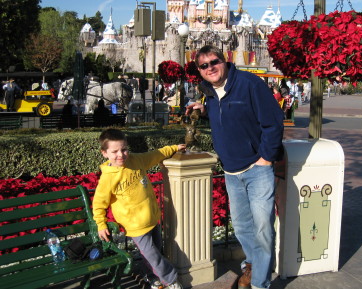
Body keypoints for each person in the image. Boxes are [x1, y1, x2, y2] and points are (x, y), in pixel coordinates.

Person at [185, 45, 284, 289]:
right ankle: (252, 264)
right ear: (199, 70)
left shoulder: (249, 84)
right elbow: (229, 114)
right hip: (231, 171)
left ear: (225, 60)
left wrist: (266, 158)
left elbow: (273, 122)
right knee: (241, 228)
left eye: (214, 61)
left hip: (257, 169)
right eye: (204, 65)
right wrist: (205, 111)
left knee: (262, 229)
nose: (211, 68)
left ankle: (260, 283)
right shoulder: (209, 92)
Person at [93, 129, 186, 289]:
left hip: (152, 218)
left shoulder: (137, 160)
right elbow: (99, 203)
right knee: (152, 255)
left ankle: (153, 279)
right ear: (104, 153)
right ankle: (171, 281)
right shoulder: (107, 177)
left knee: (155, 253)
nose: (121, 155)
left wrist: (174, 148)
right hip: (135, 226)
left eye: (124, 149)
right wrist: (101, 224)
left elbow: (155, 154)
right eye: (114, 151)